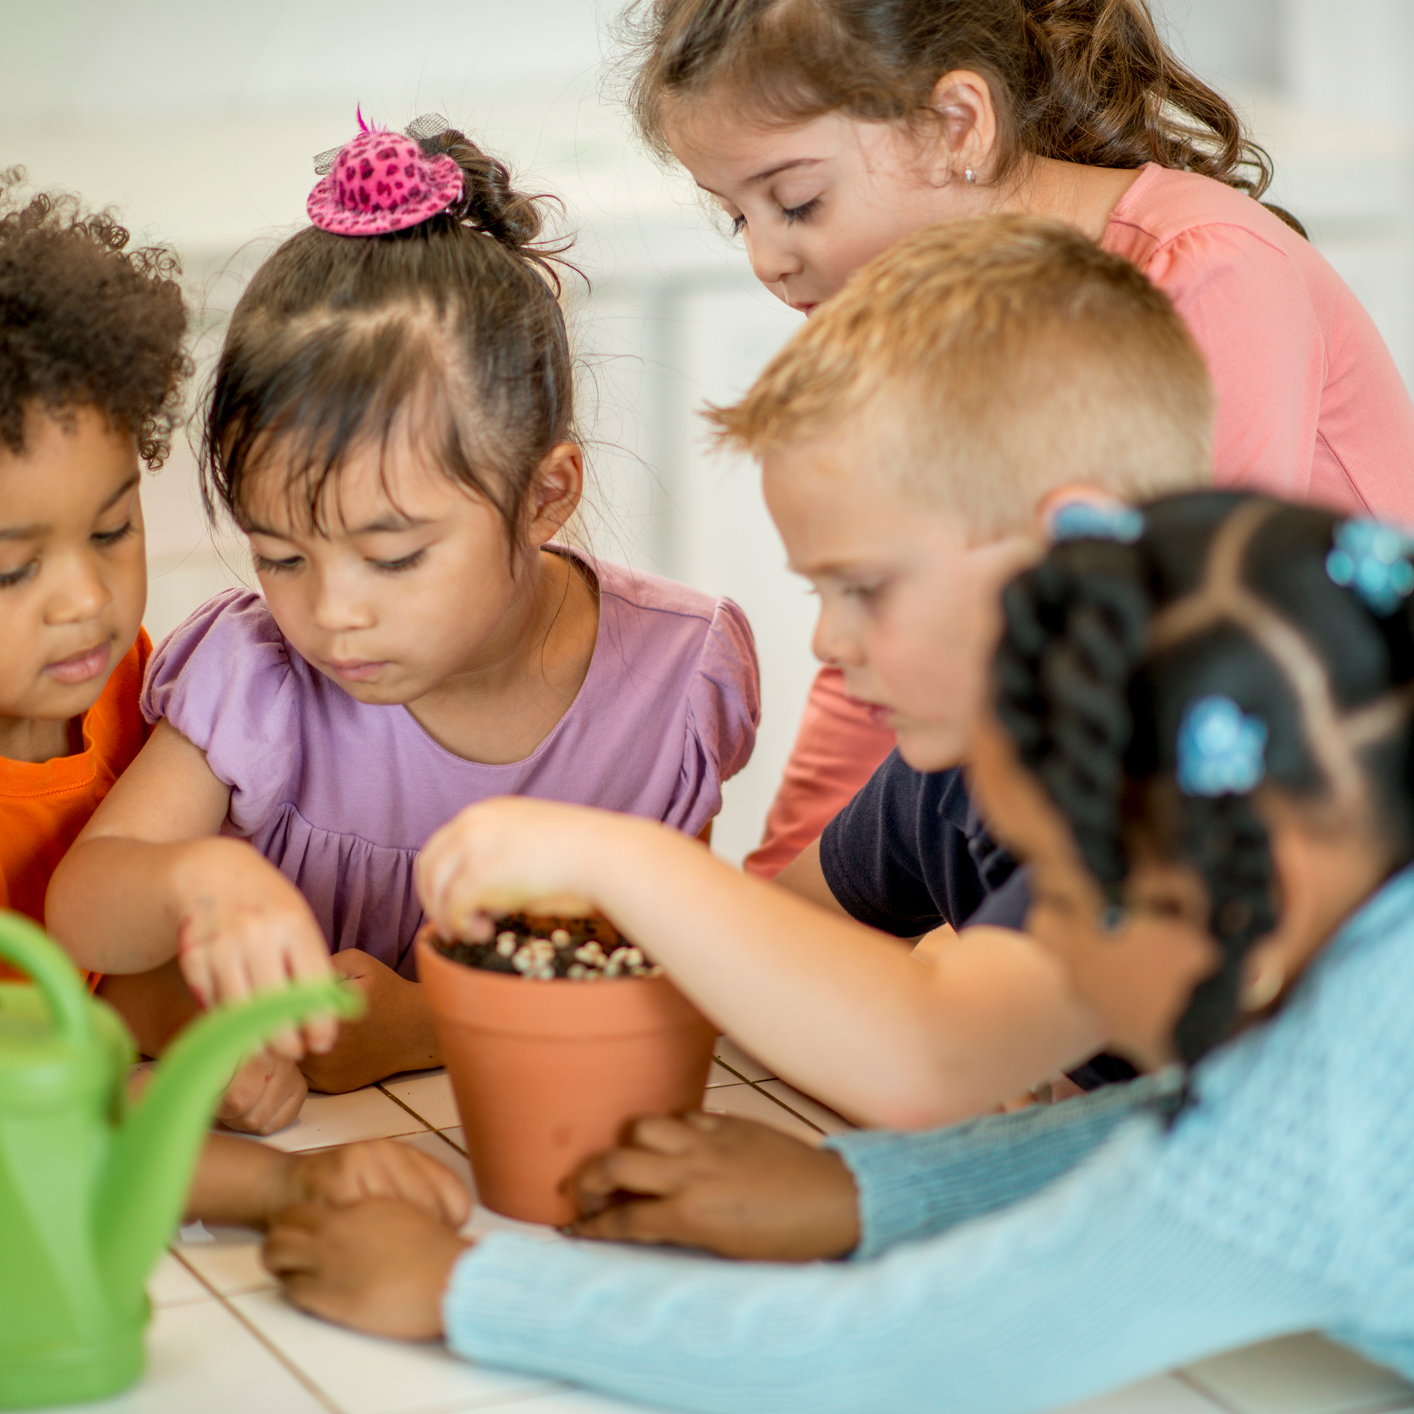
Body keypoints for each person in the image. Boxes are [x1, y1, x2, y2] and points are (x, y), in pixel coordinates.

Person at [268, 491, 1414, 1414]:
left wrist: (467, 1286)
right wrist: (862, 1188)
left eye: (1057, 888)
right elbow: (1178, 1124)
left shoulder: (1349, 1099)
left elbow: (899, 1357)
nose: (1033, 935)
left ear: (1252, 880)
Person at [416, 213, 1213, 1129]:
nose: (829, 642)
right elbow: (792, 938)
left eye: (867, 588)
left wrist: (621, 859)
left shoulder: (1181, 774)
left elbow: (931, 1056)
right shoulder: (950, 772)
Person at [617, 0, 1414, 875]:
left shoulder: (1212, 269)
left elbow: (1169, 656)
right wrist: (778, 887)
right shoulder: (921, 319)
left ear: (957, 125)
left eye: (797, 202)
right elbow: (886, 637)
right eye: (739, 217)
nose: (766, 258)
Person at [46, 118, 759, 1096]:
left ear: (543, 496)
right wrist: (190, 884)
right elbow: (83, 907)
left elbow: (674, 973)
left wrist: (424, 1028)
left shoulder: (675, 682)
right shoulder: (255, 675)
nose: (333, 613)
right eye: (281, 555)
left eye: (394, 556)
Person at [0, 172, 471, 1220]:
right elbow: (24, 1107)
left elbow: (97, 977)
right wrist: (280, 1181)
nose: (84, 600)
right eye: (10, 571)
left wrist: (206, 1032)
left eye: (113, 531)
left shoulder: (128, 687)